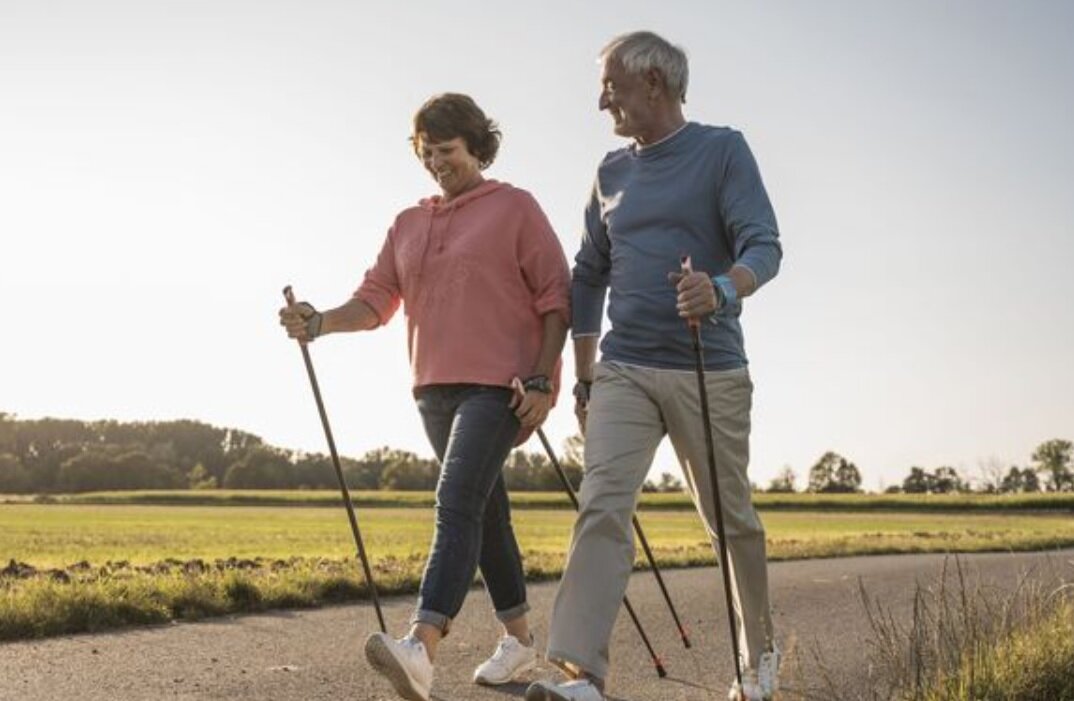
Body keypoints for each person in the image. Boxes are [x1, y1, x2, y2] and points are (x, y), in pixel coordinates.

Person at [280, 93, 571, 701]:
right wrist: (320, 321)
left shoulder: (514, 207)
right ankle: (519, 640)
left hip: (501, 386)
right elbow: (376, 299)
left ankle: (421, 645)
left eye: (447, 150)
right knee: (485, 511)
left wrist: (544, 379)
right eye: (427, 153)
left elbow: (555, 297)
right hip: (432, 387)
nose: (437, 163)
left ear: (477, 146)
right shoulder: (407, 224)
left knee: (456, 498)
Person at [524, 32, 783, 701]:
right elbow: (589, 274)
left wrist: (722, 288)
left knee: (730, 520)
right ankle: (582, 674)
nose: (600, 101)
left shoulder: (722, 151)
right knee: (601, 506)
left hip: (708, 366)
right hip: (625, 368)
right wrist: (584, 377)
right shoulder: (610, 172)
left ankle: (757, 660)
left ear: (654, 83)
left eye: (610, 86)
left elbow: (764, 245)